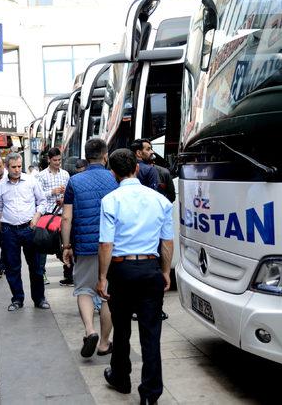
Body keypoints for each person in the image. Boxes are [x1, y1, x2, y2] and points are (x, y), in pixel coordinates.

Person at [96, 148, 174, 405]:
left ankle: (121, 377)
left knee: (121, 329)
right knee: (151, 334)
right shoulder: (160, 200)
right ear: (137, 168)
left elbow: (106, 244)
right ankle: (150, 394)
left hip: (121, 270)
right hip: (150, 269)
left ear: (112, 173)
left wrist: (102, 277)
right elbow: (167, 241)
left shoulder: (110, 200)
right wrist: (165, 271)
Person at [61, 139, 117, 358]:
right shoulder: (114, 179)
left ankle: (89, 330)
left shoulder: (74, 182)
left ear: (85, 156)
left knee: (84, 289)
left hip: (84, 246)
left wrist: (66, 245)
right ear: (105, 156)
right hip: (111, 246)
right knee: (106, 295)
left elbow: (66, 217)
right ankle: (104, 343)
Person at [0, 152, 49, 311]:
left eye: (19, 166)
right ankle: (17, 299)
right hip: (10, 230)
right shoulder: (0, 186)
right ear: (6, 167)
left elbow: (42, 202)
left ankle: (39, 299)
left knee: (36, 266)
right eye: (13, 167)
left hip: (29, 229)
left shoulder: (31, 181)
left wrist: (36, 217)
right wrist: (2, 228)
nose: (17, 170)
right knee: (12, 267)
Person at [37, 147, 71, 285]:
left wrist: (64, 199)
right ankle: (42, 274)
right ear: (49, 160)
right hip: (47, 215)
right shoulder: (41, 176)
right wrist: (52, 191)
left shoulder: (65, 174)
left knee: (65, 244)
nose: (58, 162)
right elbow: (38, 195)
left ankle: (69, 274)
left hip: (62, 214)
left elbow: (70, 193)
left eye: (59, 160)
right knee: (43, 245)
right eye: (55, 160)